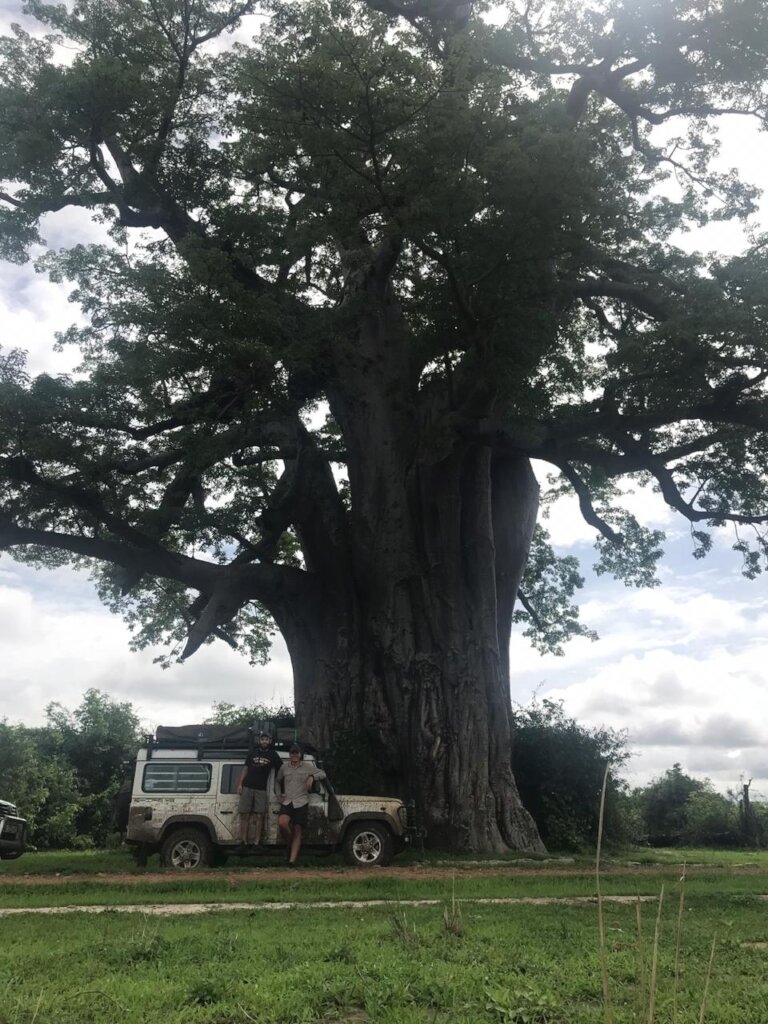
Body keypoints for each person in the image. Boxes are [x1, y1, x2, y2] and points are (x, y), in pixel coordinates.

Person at [275, 743, 326, 867]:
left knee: (298, 829)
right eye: (292, 753)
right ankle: (290, 844)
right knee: (282, 823)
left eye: (296, 753)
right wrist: (278, 794)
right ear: (289, 755)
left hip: (301, 802)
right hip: (287, 801)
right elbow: (277, 781)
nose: (294, 755)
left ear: (300, 755)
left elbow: (323, 774)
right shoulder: (284, 767)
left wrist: (312, 777)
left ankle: (291, 861)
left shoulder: (307, 766)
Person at [236, 731, 282, 847]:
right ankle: (244, 842)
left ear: (270, 741)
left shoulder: (273, 754)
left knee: (260, 815)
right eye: (262, 739)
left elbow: (281, 770)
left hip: (261, 789)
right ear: (259, 741)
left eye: (266, 739)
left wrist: (281, 788)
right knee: (244, 815)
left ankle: (257, 842)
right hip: (247, 786)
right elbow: (245, 769)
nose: (264, 741)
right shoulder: (252, 752)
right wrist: (240, 784)